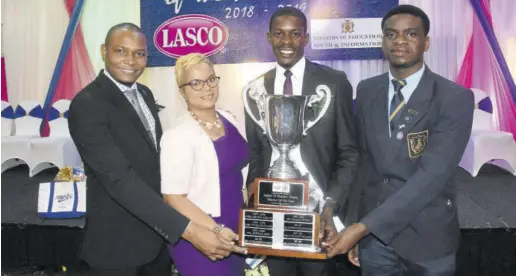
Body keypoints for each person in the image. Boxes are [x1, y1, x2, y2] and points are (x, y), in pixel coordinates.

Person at [68, 23, 246, 275]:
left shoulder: (144, 93)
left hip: (158, 243)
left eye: (139, 54)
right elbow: (120, 180)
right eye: (121, 51)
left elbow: (157, 166)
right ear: (103, 51)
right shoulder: (87, 104)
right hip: (118, 250)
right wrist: (191, 230)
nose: (131, 61)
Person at [325, 5, 474, 276]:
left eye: (411, 34)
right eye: (391, 35)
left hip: (428, 239)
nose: (400, 41)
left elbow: (430, 178)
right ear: (382, 41)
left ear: (426, 42)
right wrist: (357, 227)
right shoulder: (368, 90)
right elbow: (363, 163)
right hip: (376, 242)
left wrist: (361, 228)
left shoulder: (454, 98)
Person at [244, 7, 360, 276]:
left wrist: (331, 205)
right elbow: (257, 154)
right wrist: (253, 195)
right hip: (273, 214)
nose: (286, 42)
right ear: (269, 37)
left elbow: (349, 153)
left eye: (295, 34)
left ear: (305, 38)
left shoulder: (334, 82)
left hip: (320, 214)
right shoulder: (254, 90)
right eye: (279, 34)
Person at [160, 53, 250, 276]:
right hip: (202, 236)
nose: (206, 88)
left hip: (234, 227)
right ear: (182, 91)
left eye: (211, 79)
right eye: (195, 83)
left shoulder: (230, 119)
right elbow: (173, 197)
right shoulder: (177, 135)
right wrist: (215, 228)